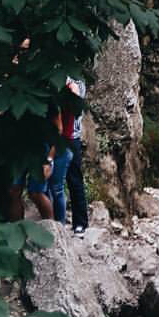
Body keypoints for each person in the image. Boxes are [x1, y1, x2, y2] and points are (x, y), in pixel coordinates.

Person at [62, 77, 89, 234]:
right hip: (55, 135)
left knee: (74, 179)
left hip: (72, 136)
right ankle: (57, 219)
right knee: (55, 183)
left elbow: (76, 100)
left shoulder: (77, 82)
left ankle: (80, 222)